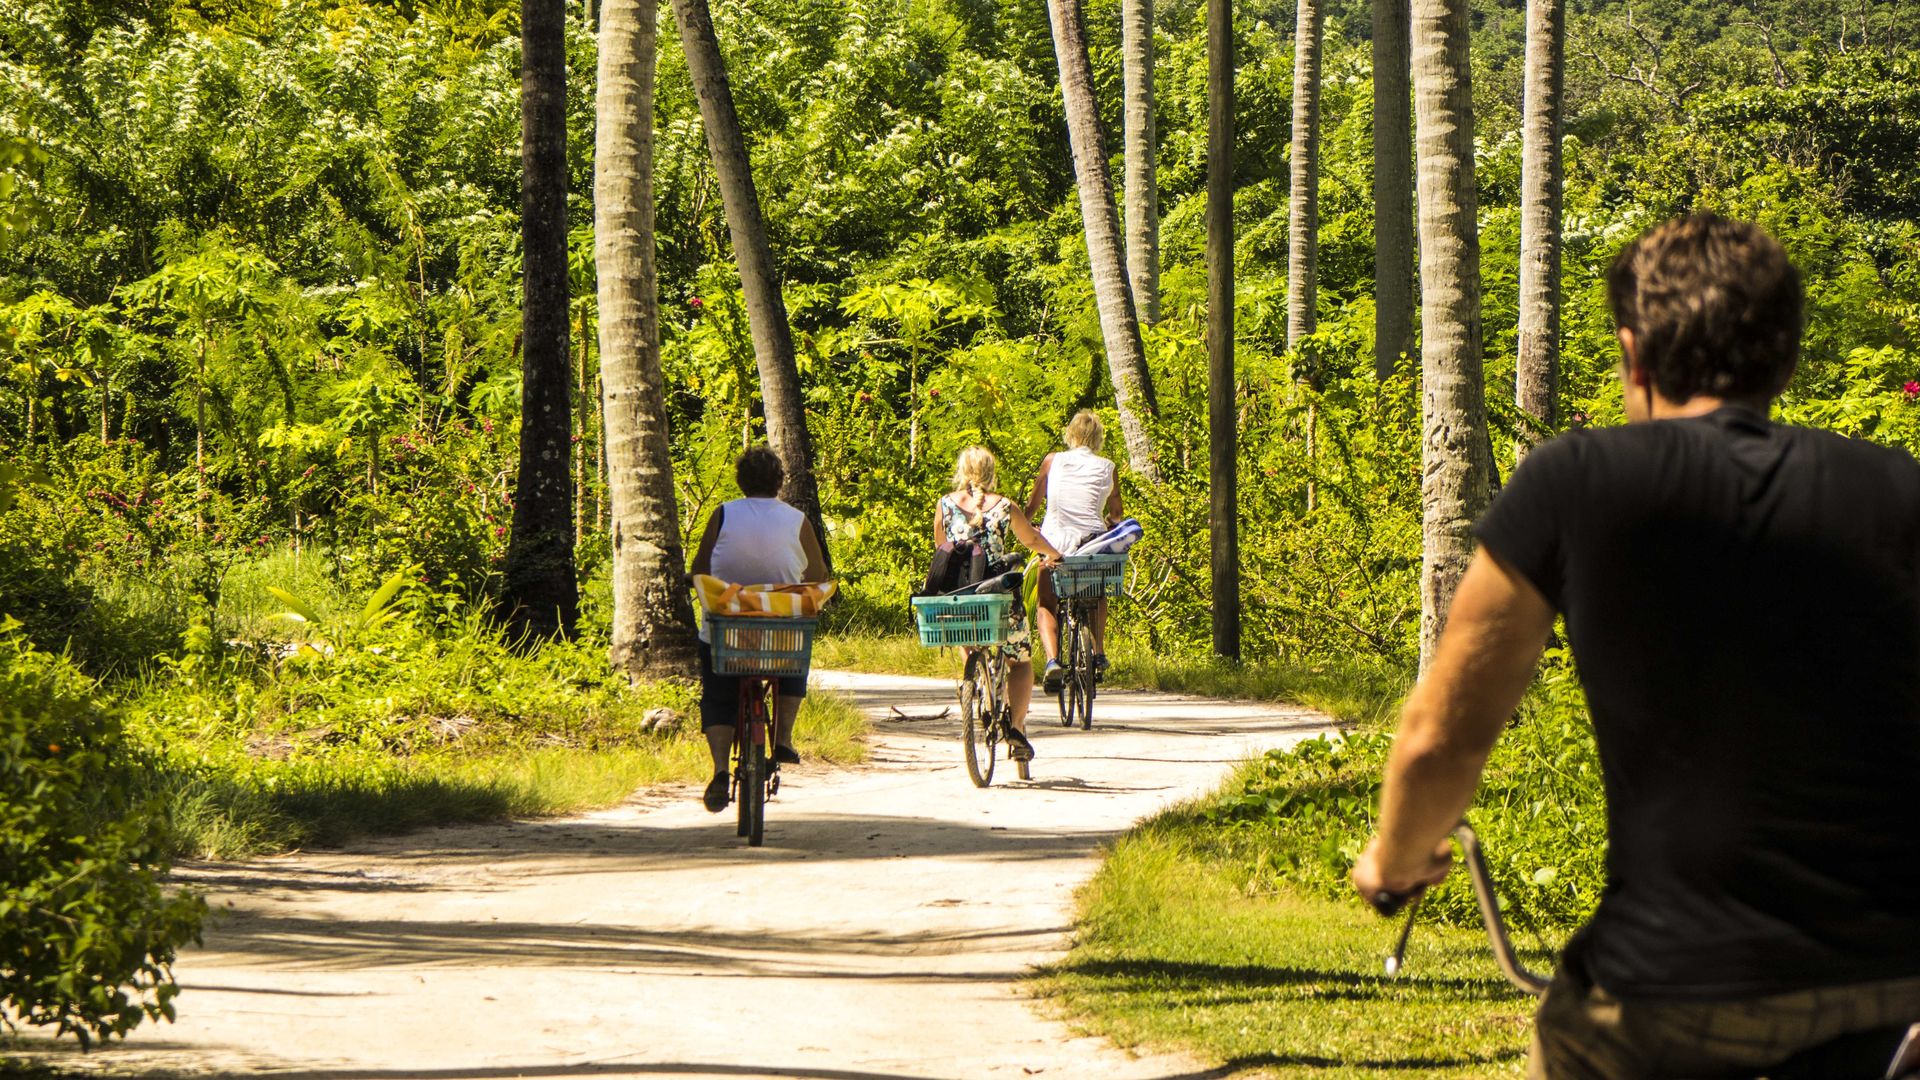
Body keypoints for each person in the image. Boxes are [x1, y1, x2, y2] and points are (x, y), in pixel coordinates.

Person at [1351, 214, 1920, 1078]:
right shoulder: (1896, 487)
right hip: (1891, 985)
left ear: (1633, 353)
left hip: (1666, 991)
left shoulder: (1577, 480)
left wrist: (1393, 864)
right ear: (1785, 357)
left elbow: (1442, 736)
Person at [689, 446, 829, 813]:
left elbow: (701, 567)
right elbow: (817, 577)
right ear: (780, 482)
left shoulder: (724, 513)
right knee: (795, 661)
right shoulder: (797, 519)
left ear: (741, 482)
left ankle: (721, 770)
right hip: (779, 632)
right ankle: (782, 739)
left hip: (728, 629)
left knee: (719, 695)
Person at [936, 446, 1064, 761]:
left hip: (960, 597)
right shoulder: (1005, 506)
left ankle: (978, 683)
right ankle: (1017, 727)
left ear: (961, 472)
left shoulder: (944, 505)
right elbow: (1031, 539)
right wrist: (1054, 555)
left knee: (968, 632)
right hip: (998, 597)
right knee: (1019, 661)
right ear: (991, 473)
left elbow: (941, 547)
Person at [1026, 410, 1122, 693]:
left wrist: (1028, 524)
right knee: (1097, 593)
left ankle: (1053, 661)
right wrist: (1108, 524)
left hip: (1055, 546)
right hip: (1090, 544)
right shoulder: (1108, 467)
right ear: (1098, 438)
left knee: (1046, 604)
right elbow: (1117, 514)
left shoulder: (1052, 461)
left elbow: (1031, 506)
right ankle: (1099, 652)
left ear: (1071, 435)